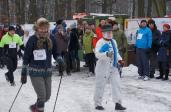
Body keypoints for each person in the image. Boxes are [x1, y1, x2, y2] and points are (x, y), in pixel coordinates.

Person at [20, 17, 62, 112]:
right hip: (35, 71)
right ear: (37, 28)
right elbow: (26, 56)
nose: (43, 30)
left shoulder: (52, 38)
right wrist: (23, 72)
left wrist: (60, 60)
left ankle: (35, 107)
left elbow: (56, 53)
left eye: (45, 28)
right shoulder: (32, 40)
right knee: (42, 96)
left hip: (47, 71)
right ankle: (39, 110)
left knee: (47, 96)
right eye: (41, 28)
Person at [94, 24, 126, 111]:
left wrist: (120, 60)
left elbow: (116, 52)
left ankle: (118, 103)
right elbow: (97, 54)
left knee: (117, 85)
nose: (109, 33)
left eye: (110, 32)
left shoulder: (113, 41)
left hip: (113, 67)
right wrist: (106, 54)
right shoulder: (100, 42)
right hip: (102, 68)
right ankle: (97, 103)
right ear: (103, 33)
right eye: (107, 32)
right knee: (100, 86)